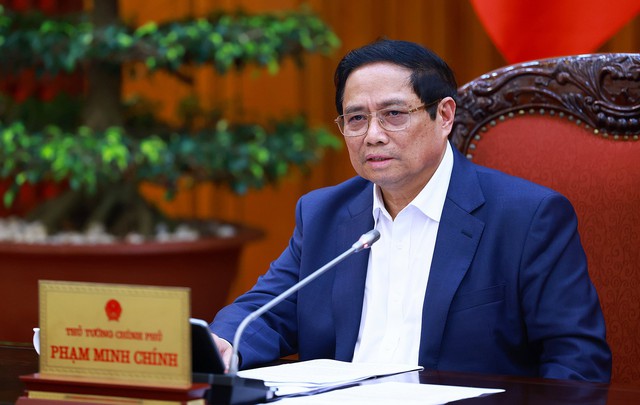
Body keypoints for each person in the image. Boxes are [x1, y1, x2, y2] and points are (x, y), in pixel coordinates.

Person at [210, 39, 612, 383]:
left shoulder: (528, 218)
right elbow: (265, 312)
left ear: (445, 116)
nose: (373, 135)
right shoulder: (323, 214)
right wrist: (223, 343)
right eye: (356, 118)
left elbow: (576, 362)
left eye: (394, 115)